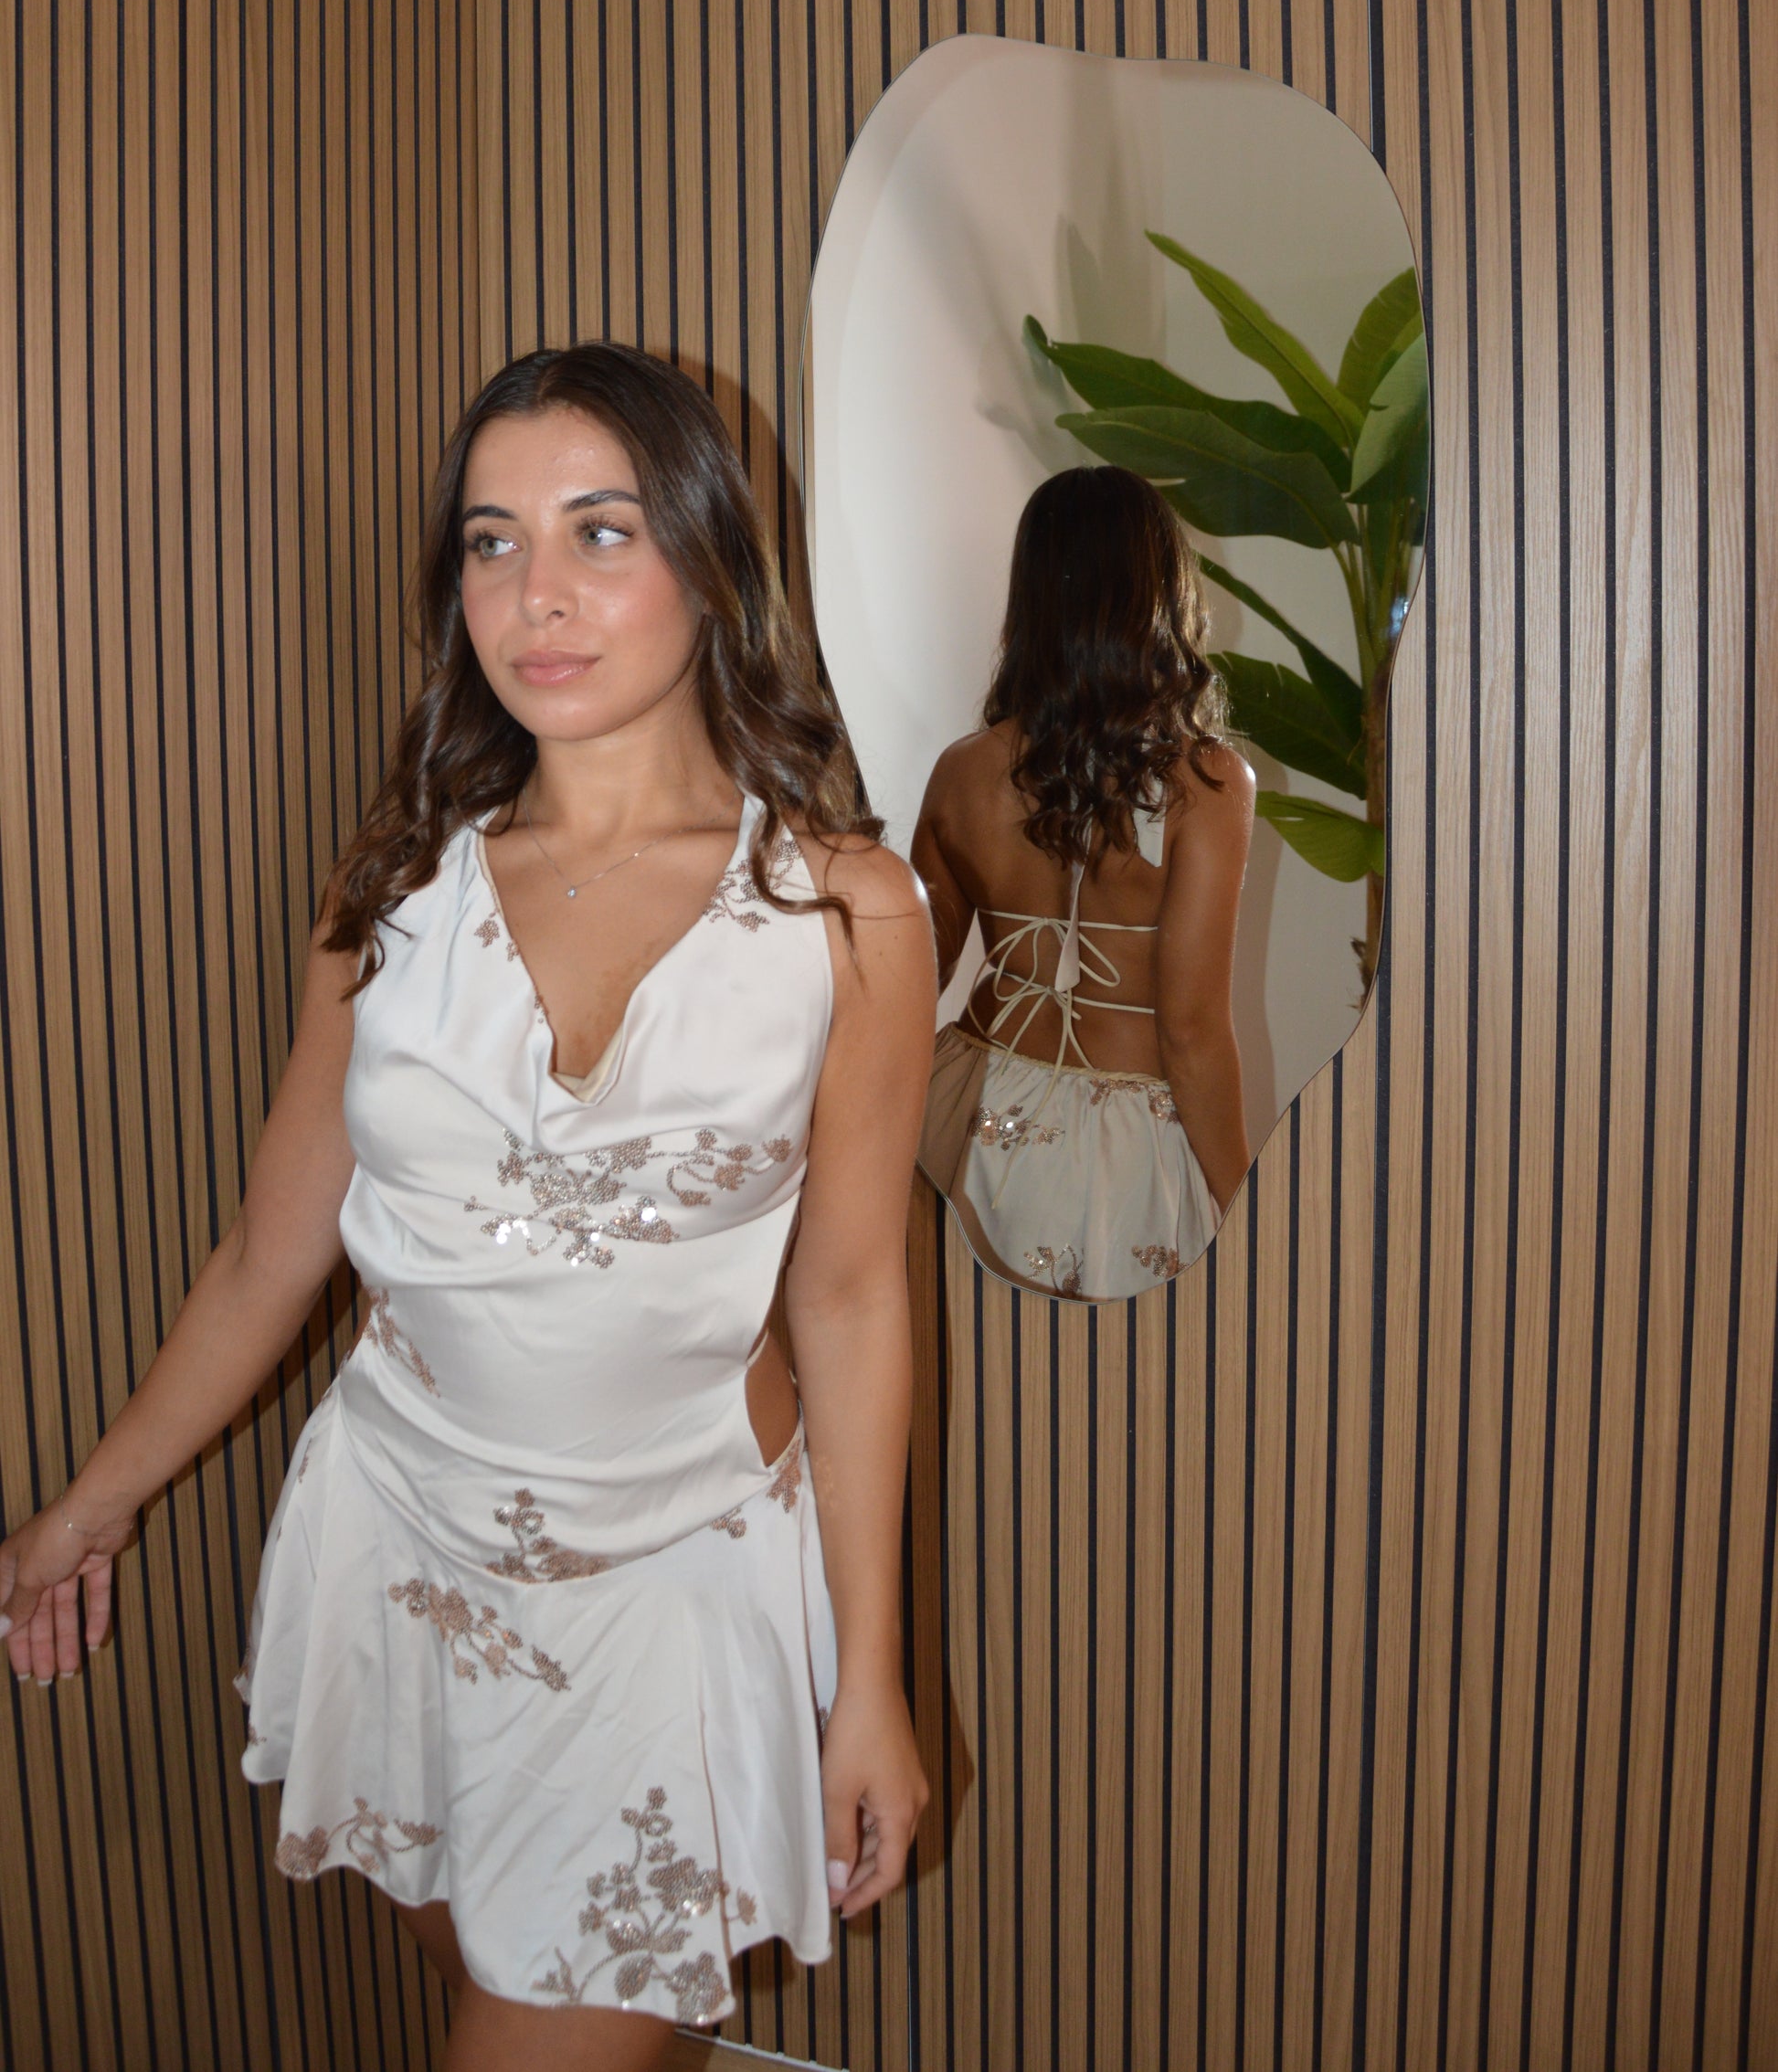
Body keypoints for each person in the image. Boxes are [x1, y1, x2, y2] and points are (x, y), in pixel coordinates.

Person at [0, 343, 934, 2066]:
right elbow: (271, 1249)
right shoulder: (391, 890)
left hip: (666, 1592)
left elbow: (856, 1295)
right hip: (399, 1550)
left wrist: (869, 1672)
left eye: (600, 530)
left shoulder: (843, 912)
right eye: (491, 542)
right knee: (487, 1963)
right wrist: (93, 1504)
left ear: (710, 560)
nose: (534, 594)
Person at [909, 464, 1254, 1302]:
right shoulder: (1208, 784)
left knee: (975, 1367)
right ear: (1163, 592)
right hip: (1124, 1151)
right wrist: (1249, 1207)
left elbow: (908, 981)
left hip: (970, 1111)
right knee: (1119, 1381)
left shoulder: (962, 770)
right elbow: (1192, 1031)